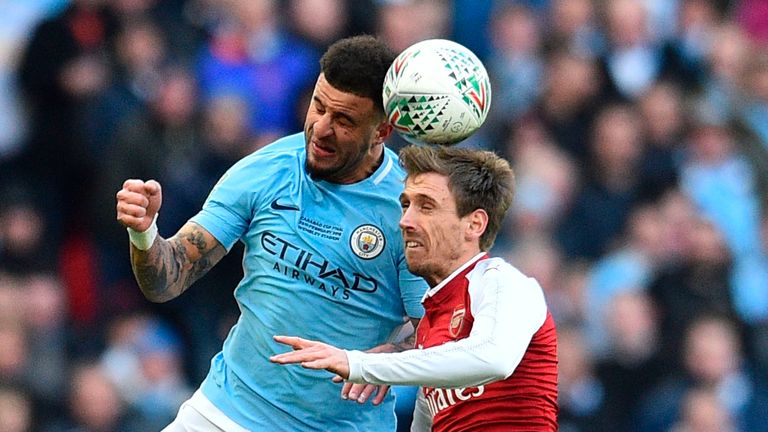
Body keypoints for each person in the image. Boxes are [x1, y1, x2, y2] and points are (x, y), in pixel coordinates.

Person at [115, 35, 429, 431]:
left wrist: (390, 359)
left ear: (382, 132)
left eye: (344, 121)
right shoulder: (267, 170)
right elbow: (167, 279)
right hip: (225, 411)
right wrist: (145, 234)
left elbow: (436, 336)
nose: (321, 129)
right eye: (318, 106)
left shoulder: (408, 211)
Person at [271, 145, 559, 431]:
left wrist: (356, 363)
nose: (405, 221)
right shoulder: (431, 326)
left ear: (474, 224)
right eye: (406, 204)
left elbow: (493, 359)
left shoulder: (504, 282)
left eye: (427, 206)